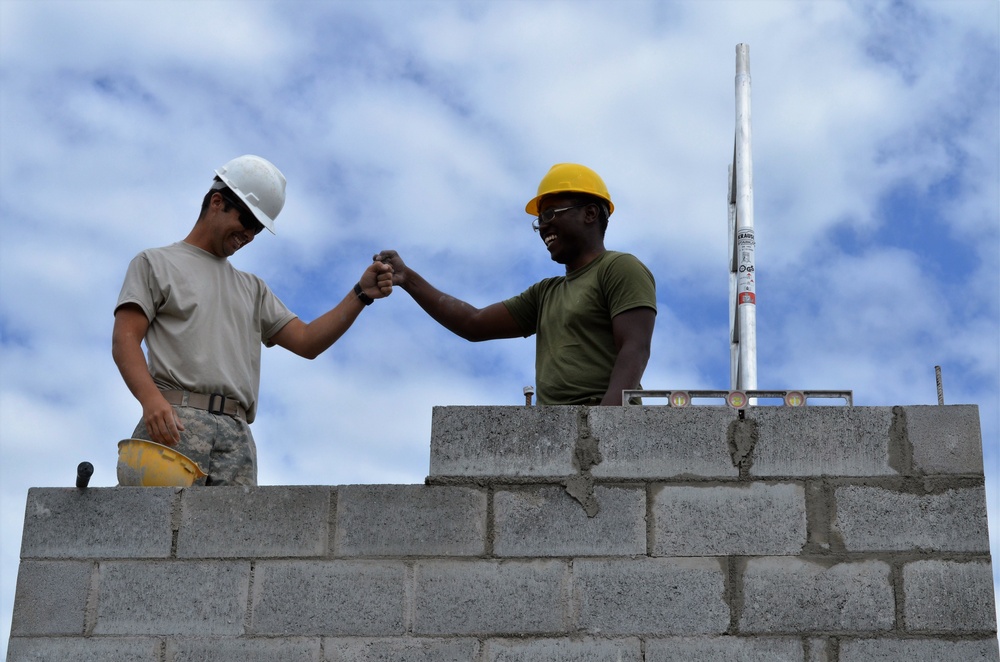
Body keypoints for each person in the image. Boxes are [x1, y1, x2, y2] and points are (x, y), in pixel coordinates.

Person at [112, 155, 392, 486]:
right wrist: (150, 400)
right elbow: (125, 339)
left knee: (233, 538)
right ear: (217, 202)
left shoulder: (252, 288)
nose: (249, 234)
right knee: (154, 534)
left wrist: (361, 294)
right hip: (175, 423)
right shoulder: (155, 263)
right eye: (247, 220)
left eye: (258, 228)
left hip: (236, 437)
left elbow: (307, 341)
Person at [376, 163, 655, 406]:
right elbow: (474, 323)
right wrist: (407, 278)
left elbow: (635, 348)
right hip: (558, 432)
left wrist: (604, 425)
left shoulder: (619, 268)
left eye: (549, 214)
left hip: (603, 426)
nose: (543, 227)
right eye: (539, 221)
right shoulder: (546, 294)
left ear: (590, 213)